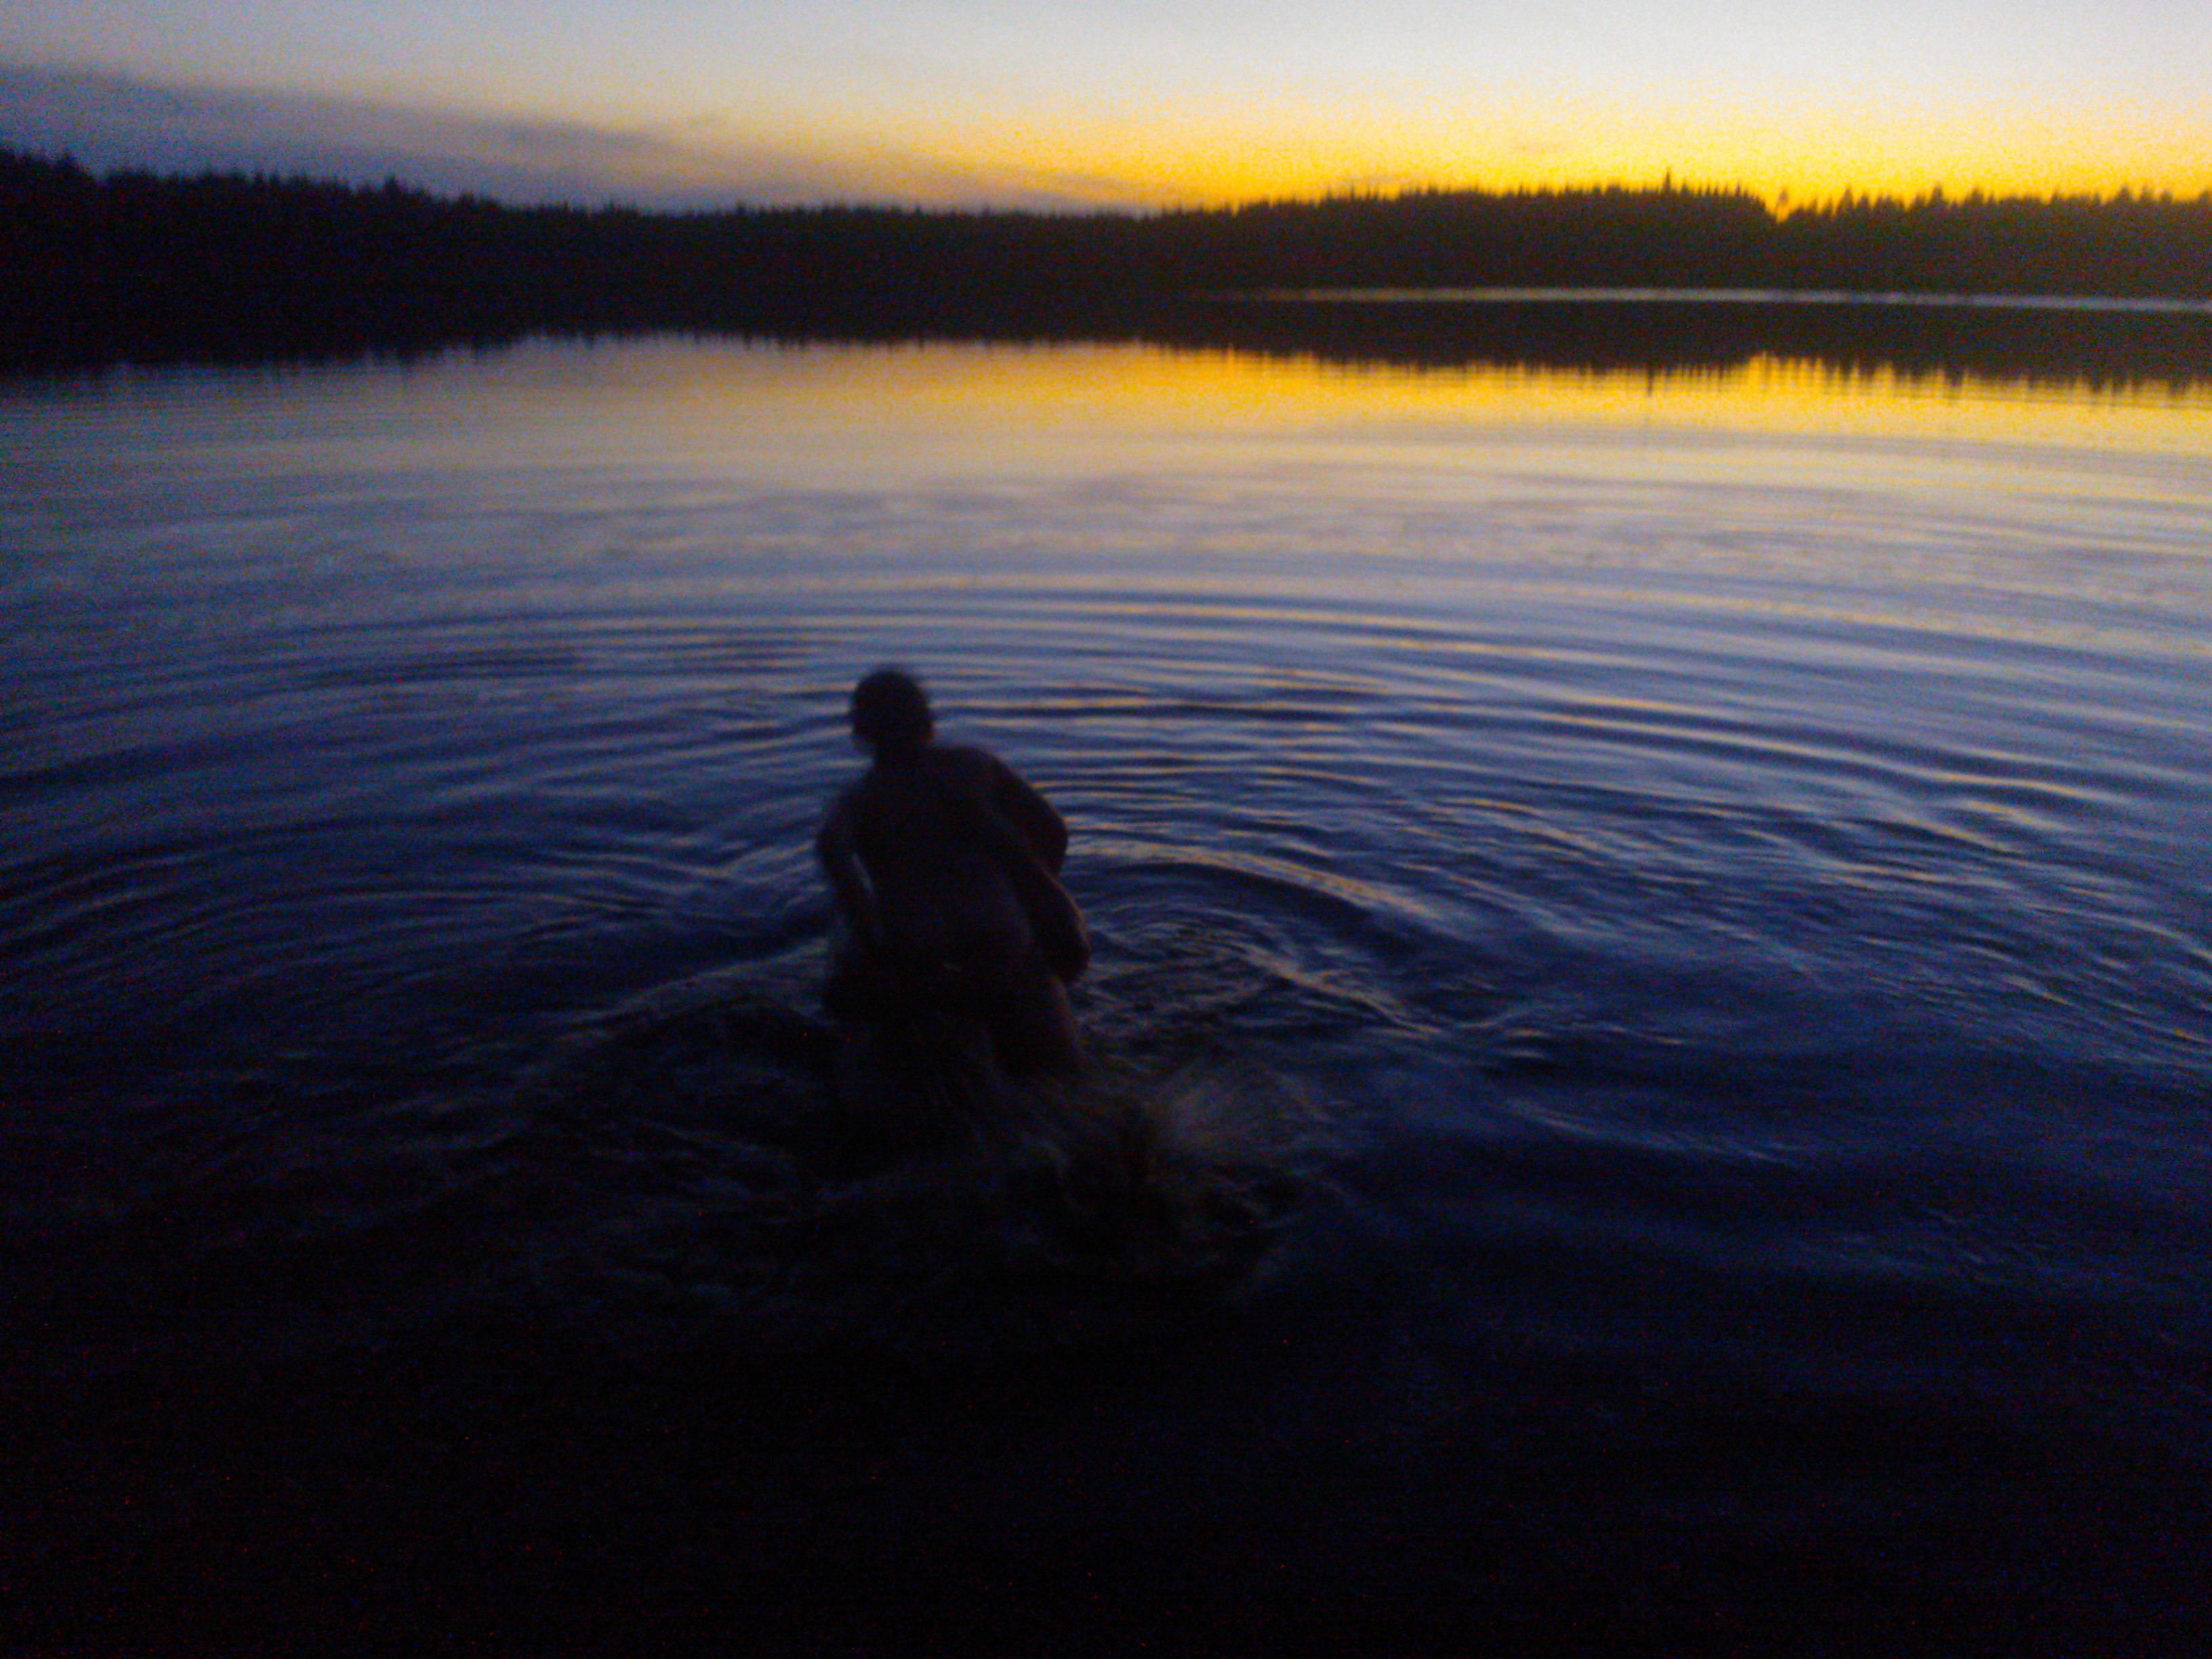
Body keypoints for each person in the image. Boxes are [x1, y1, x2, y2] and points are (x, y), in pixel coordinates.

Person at [817, 668, 1087, 1077]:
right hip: (1003, 937)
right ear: (927, 719)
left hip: (920, 957)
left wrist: (868, 951)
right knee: (1059, 1083)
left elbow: (838, 865)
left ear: (861, 731)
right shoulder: (973, 767)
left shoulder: (855, 803)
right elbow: (1053, 832)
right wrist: (1032, 897)